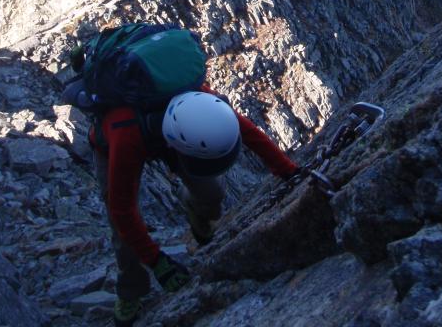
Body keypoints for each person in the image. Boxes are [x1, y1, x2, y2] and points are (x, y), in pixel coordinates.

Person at [65, 67, 298, 327]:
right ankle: (131, 291)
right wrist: (157, 261)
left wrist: (288, 170)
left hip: (168, 132)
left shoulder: (203, 103)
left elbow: (250, 133)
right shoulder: (124, 134)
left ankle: (196, 214)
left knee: (212, 194)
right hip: (114, 144)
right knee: (121, 231)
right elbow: (123, 210)